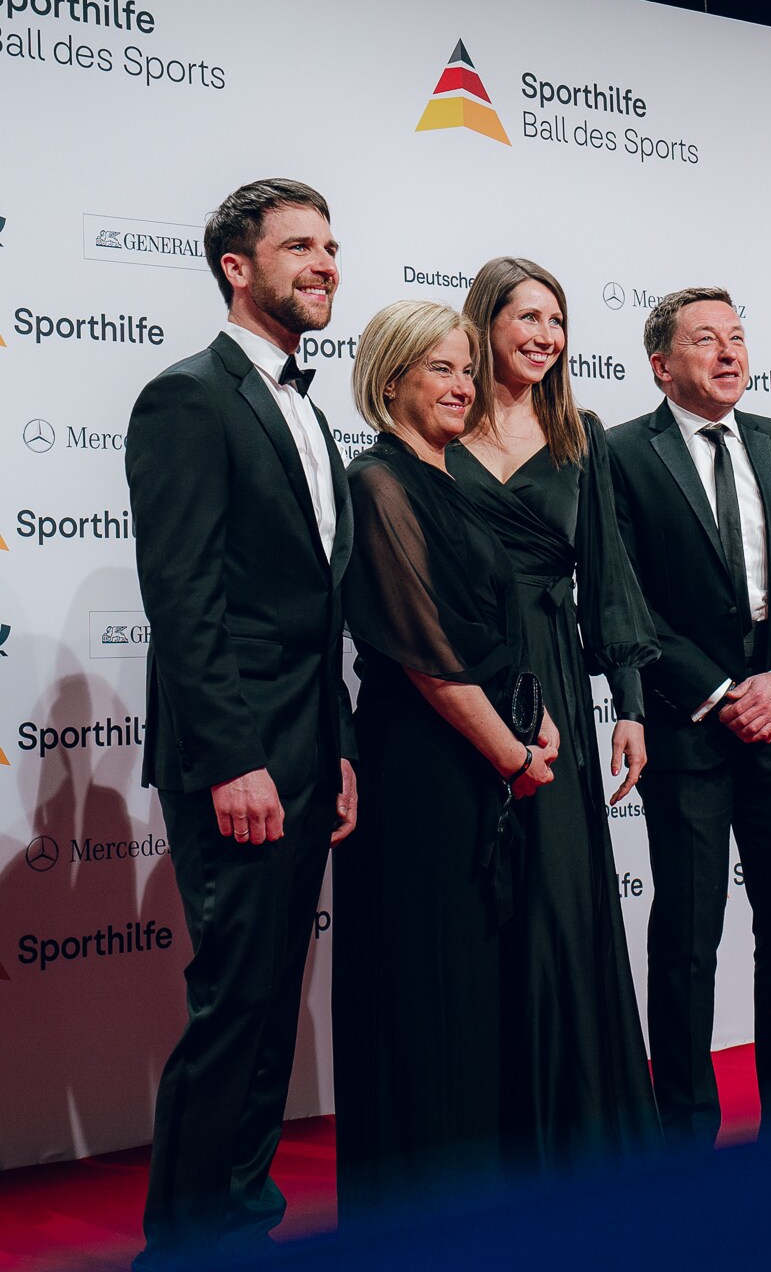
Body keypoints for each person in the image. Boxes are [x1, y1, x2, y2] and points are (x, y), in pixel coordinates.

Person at [125, 178, 357, 1267]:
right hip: (239, 758)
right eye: (299, 246)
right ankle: (180, 1242)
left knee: (269, 1005)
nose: (324, 263)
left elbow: (316, 608)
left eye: (330, 246)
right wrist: (231, 761)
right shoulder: (187, 398)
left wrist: (340, 748)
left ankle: (243, 1219)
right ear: (236, 265)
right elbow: (182, 598)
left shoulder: (307, 407)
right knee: (233, 1002)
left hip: (310, 746)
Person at [606, 288, 771, 1148]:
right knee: (683, 945)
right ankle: (683, 1140)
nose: (728, 353)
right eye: (704, 340)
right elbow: (620, 598)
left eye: (737, 338)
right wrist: (715, 691)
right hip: (688, 733)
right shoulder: (619, 456)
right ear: (660, 364)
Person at [332, 300, 558, 1209]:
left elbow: (494, 629)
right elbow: (424, 652)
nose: (463, 385)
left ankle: (477, 1195)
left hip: (484, 763)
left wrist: (531, 718)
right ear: (391, 380)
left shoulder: (451, 480)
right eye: (439, 369)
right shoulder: (379, 482)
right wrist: (510, 751)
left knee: (472, 984)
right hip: (423, 770)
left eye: (467, 368)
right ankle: (420, 1211)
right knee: (425, 983)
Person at [447, 257, 661, 1171]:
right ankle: (485, 1125)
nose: (543, 335)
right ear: (484, 322)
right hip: (455, 678)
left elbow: (610, 581)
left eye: (556, 320)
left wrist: (631, 707)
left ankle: (575, 1123)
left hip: (558, 687)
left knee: (561, 899)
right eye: (525, 316)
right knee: (477, 899)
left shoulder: (582, 435)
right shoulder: (437, 424)